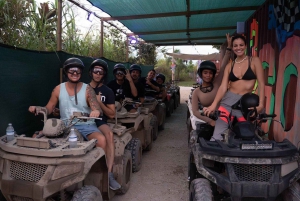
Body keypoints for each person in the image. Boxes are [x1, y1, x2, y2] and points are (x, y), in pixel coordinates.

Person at [28, 57, 120, 190]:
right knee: (36, 137)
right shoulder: (58, 89)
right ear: (66, 72)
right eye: (72, 70)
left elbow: (96, 107)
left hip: (86, 124)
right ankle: (36, 176)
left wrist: (95, 111)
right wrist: (38, 108)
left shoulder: (88, 89)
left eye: (78, 71)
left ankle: (104, 174)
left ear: (81, 72)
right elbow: (49, 108)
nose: (75, 73)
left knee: (101, 140)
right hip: (64, 124)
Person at [203, 34, 265, 141]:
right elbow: (223, 87)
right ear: (232, 47)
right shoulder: (229, 66)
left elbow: (261, 84)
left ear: (245, 46)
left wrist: (261, 105)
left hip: (245, 104)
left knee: (246, 137)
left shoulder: (254, 61)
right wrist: (213, 105)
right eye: (235, 45)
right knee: (217, 137)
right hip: (227, 102)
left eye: (241, 45)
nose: (238, 48)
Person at [87, 59, 121, 190]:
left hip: (100, 121)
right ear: (91, 72)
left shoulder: (108, 91)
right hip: (83, 120)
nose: (98, 74)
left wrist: (99, 103)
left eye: (101, 72)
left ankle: (109, 173)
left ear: (104, 74)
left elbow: (112, 114)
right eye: (95, 71)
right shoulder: (84, 88)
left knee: (109, 135)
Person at [191, 34, 232, 130]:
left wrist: (229, 47)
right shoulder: (196, 92)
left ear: (213, 74)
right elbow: (195, 112)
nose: (208, 75)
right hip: (209, 121)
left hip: (225, 118)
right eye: (205, 73)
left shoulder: (217, 82)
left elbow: (223, 65)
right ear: (201, 74)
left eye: (210, 73)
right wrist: (210, 121)